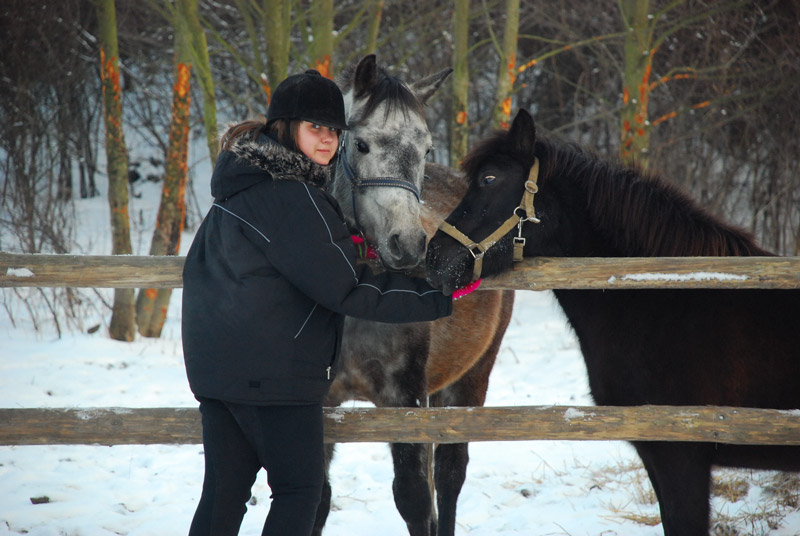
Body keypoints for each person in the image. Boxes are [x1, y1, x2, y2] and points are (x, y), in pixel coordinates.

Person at [181, 69, 464, 536]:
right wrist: (440, 295)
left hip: (217, 373)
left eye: (335, 129)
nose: (328, 139)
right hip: (275, 378)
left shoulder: (238, 185)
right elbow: (348, 289)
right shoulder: (295, 198)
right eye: (315, 127)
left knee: (223, 495)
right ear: (284, 126)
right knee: (299, 492)